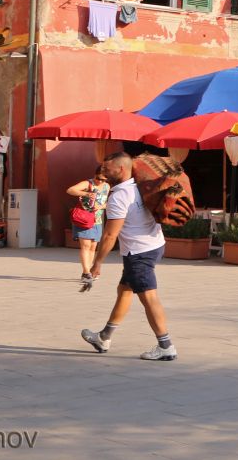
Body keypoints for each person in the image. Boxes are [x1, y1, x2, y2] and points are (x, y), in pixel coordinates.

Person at [81, 153, 176, 361]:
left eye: (107, 168)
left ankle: (166, 346)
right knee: (124, 289)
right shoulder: (140, 188)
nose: (103, 171)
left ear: (121, 169)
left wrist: (97, 264)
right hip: (154, 245)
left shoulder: (119, 197)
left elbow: (110, 235)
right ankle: (104, 337)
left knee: (149, 298)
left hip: (138, 253)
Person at [67, 168, 112, 288]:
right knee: (86, 246)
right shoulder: (88, 183)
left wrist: (101, 206)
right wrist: (86, 193)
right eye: (98, 178)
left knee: (93, 247)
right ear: (95, 175)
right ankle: (86, 272)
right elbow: (70, 190)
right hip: (84, 220)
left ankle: (89, 272)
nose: (100, 181)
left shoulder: (107, 187)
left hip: (97, 220)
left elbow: (108, 202)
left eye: (103, 179)